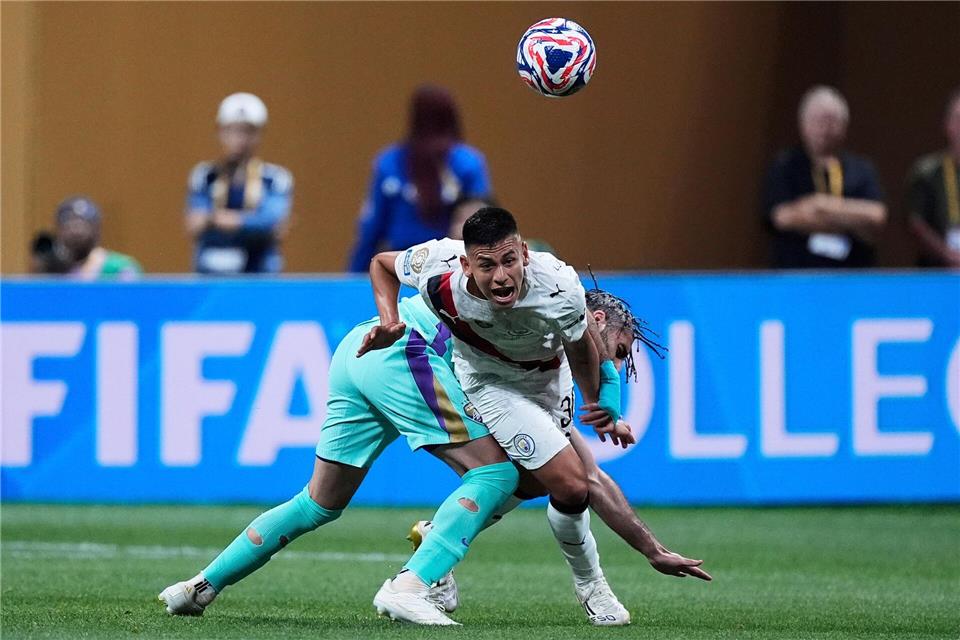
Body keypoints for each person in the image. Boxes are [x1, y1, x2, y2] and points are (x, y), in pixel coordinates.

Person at [362, 207, 652, 625]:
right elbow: (381, 264)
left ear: (524, 254)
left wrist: (603, 402)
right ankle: (593, 588)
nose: (501, 276)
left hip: (539, 384)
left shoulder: (559, 288)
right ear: (465, 263)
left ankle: (436, 543)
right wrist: (390, 321)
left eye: (509, 261)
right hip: (486, 382)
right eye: (487, 265)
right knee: (571, 483)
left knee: (534, 482)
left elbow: (584, 345)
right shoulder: (436, 267)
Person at [159, 296, 519, 626]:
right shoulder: (522, 314)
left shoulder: (472, 276)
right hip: (404, 353)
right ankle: (413, 582)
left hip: (359, 347)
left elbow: (386, 263)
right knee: (496, 472)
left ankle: (200, 586)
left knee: (317, 503)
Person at [407, 286, 712, 616]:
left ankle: (439, 537)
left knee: (541, 474)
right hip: (419, 359)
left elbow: (591, 473)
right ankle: (590, 584)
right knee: (552, 477)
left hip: (432, 364)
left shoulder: (552, 360)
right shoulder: (546, 338)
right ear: (596, 321)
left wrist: (654, 551)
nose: (619, 367)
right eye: (621, 352)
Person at [346, 85, 492, 272]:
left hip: (408, 268)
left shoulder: (389, 163)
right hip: (448, 270)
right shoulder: (469, 162)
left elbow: (371, 229)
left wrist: (353, 276)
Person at [763, 85, 887, 268]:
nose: (825, 129)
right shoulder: (785, 165)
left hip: (851, 277)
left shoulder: (861, 169)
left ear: (845, 126)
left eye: (831, 121)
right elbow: (783, 218)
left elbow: (876, 216)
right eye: (818, 121)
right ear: (802, 123)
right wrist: (850, 222)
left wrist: (819, 205)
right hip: (795, 274)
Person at [186, 92, 293, 274]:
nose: (240, 139)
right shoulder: (205, 176)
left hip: (258, 275)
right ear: (220, 132)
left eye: (248, 131)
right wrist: (247, 223)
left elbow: (271, 222)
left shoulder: (274, 179)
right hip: (210, 274)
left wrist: (218, 221)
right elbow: (194, 223)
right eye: (232, 130)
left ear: (259, 134)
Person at [906, 89, 960, 267]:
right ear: (947, 125)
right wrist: (946, 253)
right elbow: (915, 223)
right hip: (935, 271)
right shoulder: (926, 171)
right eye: (958, 120)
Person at [34, 196, 142, 279]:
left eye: (82, 225)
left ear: (97, 230)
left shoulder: (119, 268)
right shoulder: (54, 271)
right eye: (69, 226)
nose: (75, 231)